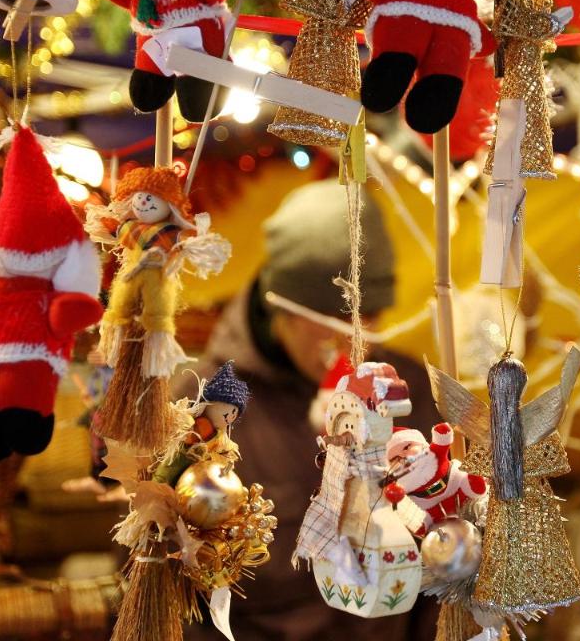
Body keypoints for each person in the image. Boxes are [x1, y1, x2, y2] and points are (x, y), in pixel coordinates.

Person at [186, 179, 440, 640]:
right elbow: (174, 593)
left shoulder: (407, 389)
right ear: (281, 308)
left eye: (371, 317)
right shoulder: (207, 404)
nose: (356, 340)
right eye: (335, 318)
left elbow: (439, 567)